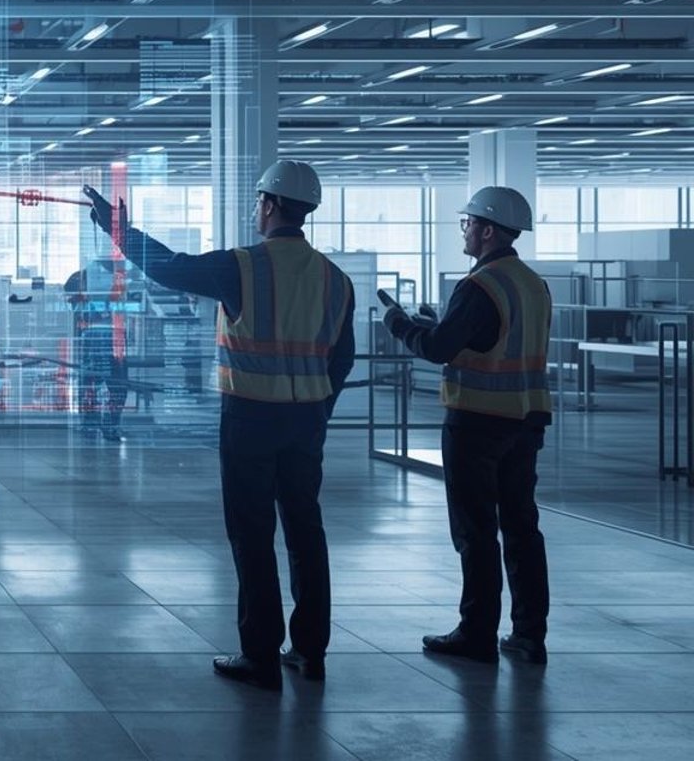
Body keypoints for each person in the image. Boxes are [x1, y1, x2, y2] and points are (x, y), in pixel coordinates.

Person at [83, 161, 355, 692]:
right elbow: (340, 359)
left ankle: (260, 654)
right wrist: (319, 409)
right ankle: (309, 649)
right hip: (306, 423)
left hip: (251, 418)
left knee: (252, 534)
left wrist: (116, 230)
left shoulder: (245, 267)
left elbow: (168, 267)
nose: (256, 210)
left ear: (271, 204)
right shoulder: (334, 278)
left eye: (258, 202)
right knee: (306, 531)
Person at [382, 186, 551, 666]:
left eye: (468, 224)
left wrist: (398, 323)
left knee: (476, 531)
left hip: (477, 422)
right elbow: (494, 340)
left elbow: (436, 350)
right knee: (522, 527)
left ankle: (477, 633)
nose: (465, 230)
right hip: (526, 418)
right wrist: (440, 324)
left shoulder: (480, 286)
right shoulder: (533, 283)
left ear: (488, 230)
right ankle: (528, 634)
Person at [65, 257, 129, 442]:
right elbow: (71, 302)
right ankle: (95, 424)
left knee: (113, 385)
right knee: (97, 383)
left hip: (111, 340)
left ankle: (104, 424)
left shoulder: (120, 279)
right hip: (97, 339)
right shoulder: (80, 279)